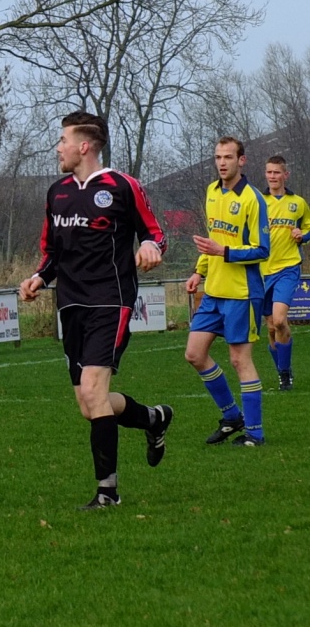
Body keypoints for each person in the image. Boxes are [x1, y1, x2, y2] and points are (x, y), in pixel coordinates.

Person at [19, 111, 171, 510]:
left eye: (63, 140)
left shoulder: (122, 186)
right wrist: (37, 278)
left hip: (110, 300)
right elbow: (51, 253)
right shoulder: (57, 193)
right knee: (90, 405)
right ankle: (153, 418)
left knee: (93, 390)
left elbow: (155, 233)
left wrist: (150, 246)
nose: (59, 148)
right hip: (71, 304)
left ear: (83, 146)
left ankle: (108, 492)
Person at [185, 136, 270, 447]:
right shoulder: (211, 191)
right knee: (194, 354)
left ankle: (255, 433)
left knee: (239, 360)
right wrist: (199, 271)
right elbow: (213, 240)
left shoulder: (252, 199)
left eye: (228, 157)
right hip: (214, 291)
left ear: (241, 160)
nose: (222, 163)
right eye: (218, 157)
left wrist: (224, 252)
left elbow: (262, 249)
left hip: (242, 293)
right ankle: (232, 416)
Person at [260, 156, 310, 390]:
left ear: (285, 175)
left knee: (280, 320)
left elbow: (308, 227)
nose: (272, 176)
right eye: (269, 172)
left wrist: (303, 236)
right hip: (262, 271)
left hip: (288, 268)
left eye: (277, 172)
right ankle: (283, 371)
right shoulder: (258, 201)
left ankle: (285, 373)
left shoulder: (298, 203)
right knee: (271, 328)